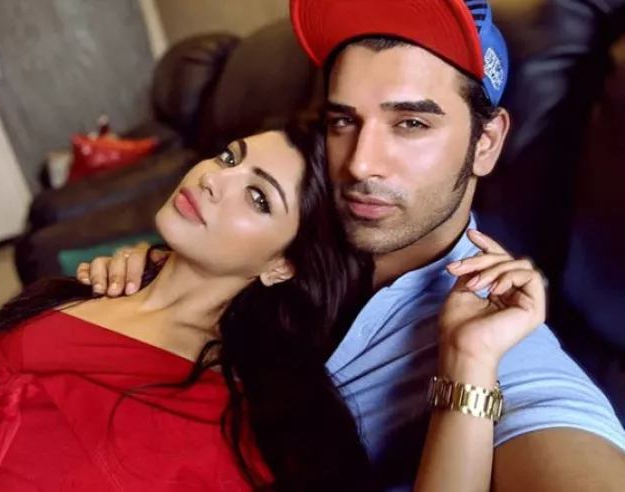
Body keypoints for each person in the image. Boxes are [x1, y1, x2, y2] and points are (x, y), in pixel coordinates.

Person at [81, 0, 625, 490]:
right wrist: (152, 282)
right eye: (344, 120)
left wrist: (468, 367)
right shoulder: (298, 231)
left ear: (486, 143)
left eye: (410, 123)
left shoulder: (502, 346)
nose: (360, 164)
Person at [0, 116, 547, 492]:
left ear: (282, 265)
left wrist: (469, 360)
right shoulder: (86, 286)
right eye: (229, 157)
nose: (215, 178)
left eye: (259, 197)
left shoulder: (243, 418)